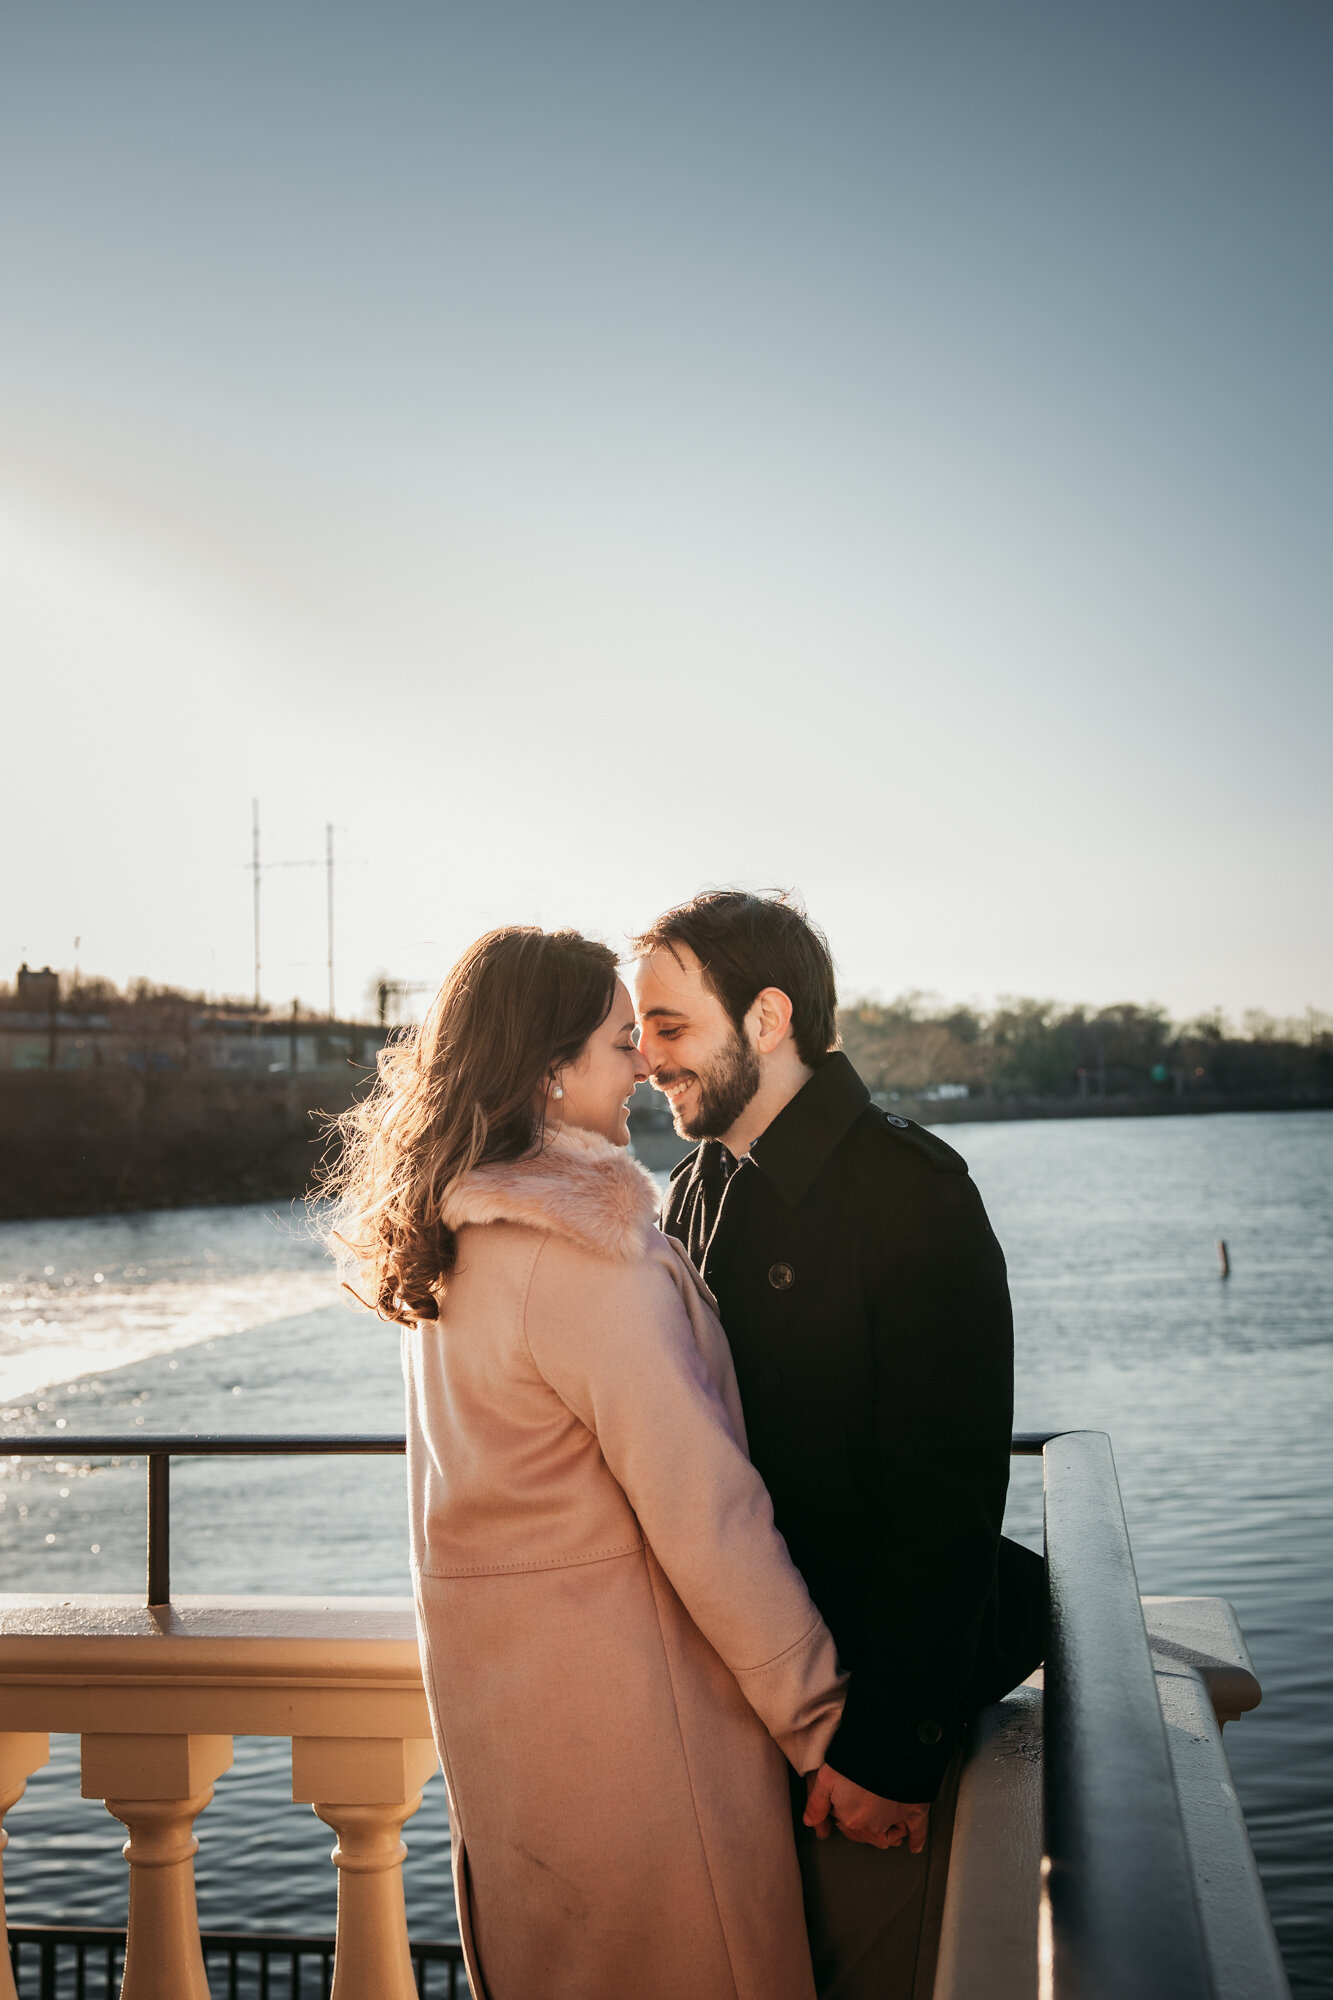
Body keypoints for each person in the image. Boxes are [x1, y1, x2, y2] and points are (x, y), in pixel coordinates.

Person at [324, 925, 848, 2000]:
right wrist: (824, 1723)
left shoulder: (455, 1245)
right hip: (644, 1760)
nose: (646, 1063)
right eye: (621, 1041)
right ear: (553, 1072)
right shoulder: (582, 1261)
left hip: (519, 1756)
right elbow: (707, 1515)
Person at [633, 891, 1046, 2000]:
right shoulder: (693, 1186)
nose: (643, 1056)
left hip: (857, 1728)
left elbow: (947, 1496)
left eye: (669, 1026)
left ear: (765, 1018)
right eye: (639, 1030)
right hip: (746, 1711)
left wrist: (889, 1748)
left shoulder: (911, 1193)